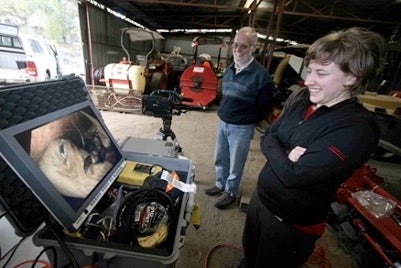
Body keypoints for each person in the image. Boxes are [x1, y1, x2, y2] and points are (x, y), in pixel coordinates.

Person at [239, 27, 386, 267]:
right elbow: (268, 134)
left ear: (352, 77)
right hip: (260, 202)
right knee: (248, 259)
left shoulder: (358, 129)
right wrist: (287, 155)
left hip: (289, 225)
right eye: (309, 70)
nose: (308, 80)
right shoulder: (302, 98)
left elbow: (293, 175)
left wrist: (280, 153)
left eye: (321, 73)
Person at [205, 26, 274, 209]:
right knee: (220, 157)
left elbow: (264, 107)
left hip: (242, 127)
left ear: (253, 48)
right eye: (235, 45)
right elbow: (224, 96)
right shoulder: (229, 70)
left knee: (236, 163)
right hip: (223, 121)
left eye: (243, 46)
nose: (237, 49)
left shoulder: (262, 76)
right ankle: (220, 184)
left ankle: (231, 192)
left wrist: (247, 119)